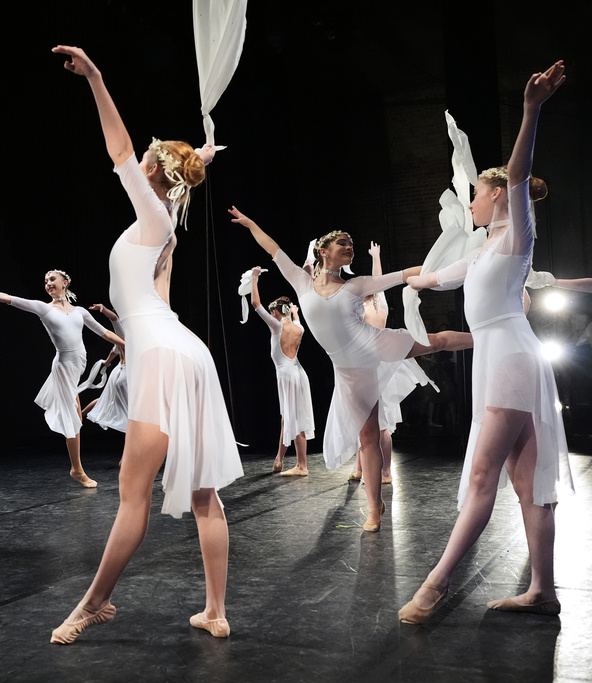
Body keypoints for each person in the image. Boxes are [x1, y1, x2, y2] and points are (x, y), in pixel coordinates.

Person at [48, 45, 243, 644]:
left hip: (161, 353)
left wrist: (98, 78)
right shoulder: (164, 230)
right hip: (184, 348)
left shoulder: (154, 218)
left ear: (156, 171)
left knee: (133, 496)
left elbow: (119, 150)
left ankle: (91, 605)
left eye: (151, 164)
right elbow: (153, 298)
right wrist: (198, 157)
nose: (141, 167)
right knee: (204, 494)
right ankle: (215, 610)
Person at [399, 62, 572, 623]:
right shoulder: (480, 252)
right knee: (526, 485)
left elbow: (519, 177)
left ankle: (435, 584)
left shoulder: (517, 236)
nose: (469, 201)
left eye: (476, 192)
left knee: (480, 477)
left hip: (510, 361)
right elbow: (434, 278)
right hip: (502, 359)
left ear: (497, 196)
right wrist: (391, 281)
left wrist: (530, 111)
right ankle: (542, 591)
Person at [230, 216, 473, 533]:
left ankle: (484, 336)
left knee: (435, 341)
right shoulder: (302, 283)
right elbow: (273, 248)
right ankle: (376, 506)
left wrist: (445, 272)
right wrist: (250, 224)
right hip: (348, 371)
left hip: (375, 346)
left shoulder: (356, 285)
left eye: (351, 243)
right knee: (367, 438)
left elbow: (403, 275)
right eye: (342, 242)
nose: (349, 246)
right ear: (323, 251)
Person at [0, 272, 125, 486]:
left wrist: (130, 344)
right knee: (73, 420)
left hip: (77, 367)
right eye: (45, 282)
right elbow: (8, 298)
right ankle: (77, 470)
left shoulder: (80, 312)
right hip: (63, 368)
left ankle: (76, 464)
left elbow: (106, 334)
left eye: (52, 280)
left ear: (65, 283)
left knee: (77, 420)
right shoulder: (44, 308)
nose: (48, 284)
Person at [347, 242, 436, 484]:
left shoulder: (362, 306)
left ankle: (385, 471)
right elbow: (379, 278)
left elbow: (378, 280)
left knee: (380, 422)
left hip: (375, 363)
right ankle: (360, 467)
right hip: (373, 362)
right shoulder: (380, 301)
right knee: (364, 419)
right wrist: (376, 256)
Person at [247, 267, 314, 475]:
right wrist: (295, 312)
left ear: (275, 312)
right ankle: (280, 459)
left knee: (293, 418)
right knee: (289, 417)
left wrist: (254, 278)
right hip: (299, 374)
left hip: (287, 375)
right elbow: (298, 321)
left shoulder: (276, 326)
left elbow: (255, 304)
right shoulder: (298, 328)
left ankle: (302, 466)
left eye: (272, 311)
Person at [82, 303, 129, 433]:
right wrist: (103, 309)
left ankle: (80, 415)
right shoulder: (128, 334)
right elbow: (114, 318)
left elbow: (114, 351)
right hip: (128, 374)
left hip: (118, 372)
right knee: (132, 408)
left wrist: (107, 363)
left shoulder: (121, 338)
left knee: (105, 400)